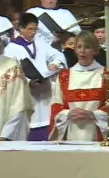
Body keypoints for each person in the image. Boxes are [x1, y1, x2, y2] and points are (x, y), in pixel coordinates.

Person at [48, 31, 109, 141]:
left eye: (87, 47)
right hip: (71, 132)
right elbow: (56, 105)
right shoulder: (64, 76)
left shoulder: (107, 75)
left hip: (97, 133)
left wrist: (93, 115)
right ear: (75, 50)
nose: (82, 51)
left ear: (95, 50)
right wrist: (68, 114)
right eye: (79, 47)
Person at [4, 13, 67, 141]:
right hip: (27, 94)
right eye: (29, 29)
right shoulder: (11, 48)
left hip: (45, 92)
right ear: (20, 28)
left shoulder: (41, 44)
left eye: (35, 29)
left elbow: (59, 56)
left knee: (47, 127)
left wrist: (54, 64)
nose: (32, 32)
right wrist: (28, 81)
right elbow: (10, 73)